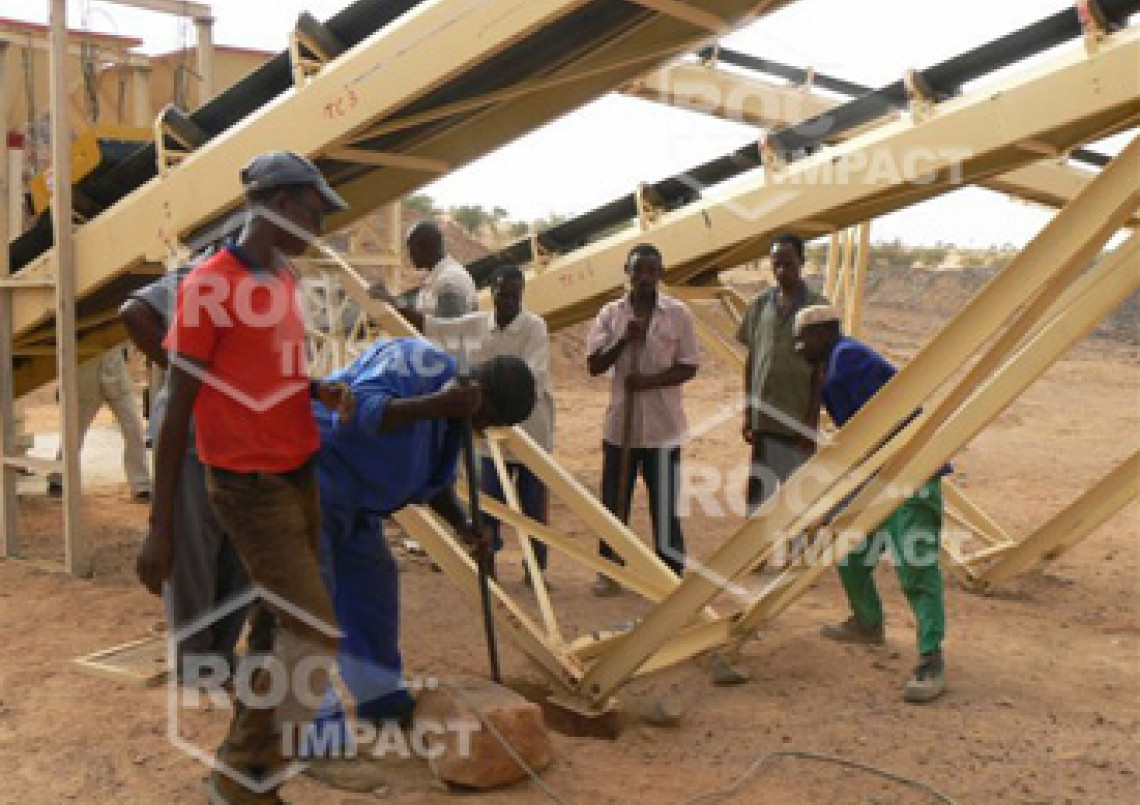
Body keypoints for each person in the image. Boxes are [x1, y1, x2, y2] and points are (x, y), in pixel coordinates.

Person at [135, 150, 355, 804]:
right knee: (312, 631)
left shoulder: (284, 278)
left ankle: (244, 779)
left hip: (298, 474)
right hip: (248, 487)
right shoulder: (209, 284)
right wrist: (159, 527)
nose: (319, 227)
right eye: (315, 212)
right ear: (281, 204)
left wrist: (317, 388)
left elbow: (268, 372)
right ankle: (240, 779)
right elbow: (177, 409)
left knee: (274, 628)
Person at [303, 337, 536, 786]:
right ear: (479, 390)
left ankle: (380, 699)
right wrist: (440, 404)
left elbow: (431, 486)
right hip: (310, 482)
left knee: (374, 590)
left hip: (358, 506)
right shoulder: (420, 362)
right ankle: (317, 736)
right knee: (308, 607)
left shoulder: (454, 423)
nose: (482, 429)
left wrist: (464, 527)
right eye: (486, 419)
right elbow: (360, 415)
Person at [794, 304, 948, 704]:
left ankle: (931, 657)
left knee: (916, 562)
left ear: (824, 333)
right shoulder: (832, 364)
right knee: (849, 545)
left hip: (908, 470)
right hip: (879, 471)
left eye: (803, 338)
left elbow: (876, 424)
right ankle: (867, 622)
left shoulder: (846, 358)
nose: (797, 346)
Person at [120, 255, 249, 683]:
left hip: (243, 440)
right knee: (193, 549)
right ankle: (195, 659)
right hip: (194, 436)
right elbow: (133, 311)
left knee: (240, 554)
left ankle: (219, 650)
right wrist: (184, 370)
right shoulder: (211, 273)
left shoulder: (278, 282)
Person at [421, 266, 555, 585]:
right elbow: (438, 329)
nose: (509, 300)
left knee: (533, 506)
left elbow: (530, 378)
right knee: (488, 502)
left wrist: (487, 387)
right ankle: (487, 564)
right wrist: (395, 310)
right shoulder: (477, 324)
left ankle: (535, 571)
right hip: (489, 438)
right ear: (491, 292)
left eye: (515, 295)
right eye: (503, 294)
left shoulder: (535, 328)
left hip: (530, 434)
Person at [585, 243, 699, 595]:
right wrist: (622, 340)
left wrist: (649, 382)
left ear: (660, 274)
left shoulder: (678, 314)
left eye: (652, 271)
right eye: (639, 271)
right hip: (621, 429)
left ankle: (669, 574)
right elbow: (594, 365)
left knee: (664, 503)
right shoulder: (610, 315)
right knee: (614, 503)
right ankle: (610, 568)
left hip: (664, 429)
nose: (645, 278)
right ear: (628, 271)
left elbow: (689, 366)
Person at [737, 234, 829, 511]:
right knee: (758, 499)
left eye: (788, 264)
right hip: (764, 419)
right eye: (776, 265)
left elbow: (821, 370)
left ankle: (797, 555)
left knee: (797, 503)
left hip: (796, 421)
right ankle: (755, 555)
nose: (781, 272)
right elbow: (753, 359)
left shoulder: (819, 307)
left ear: (802, 262)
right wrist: (748, 411)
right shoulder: (760, 305)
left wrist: (811, 422)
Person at [46, 345, 151, 501]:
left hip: (116, 374)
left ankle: (141, 484)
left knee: (134, 429)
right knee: (75, 432)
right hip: (87, 375)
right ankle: (58, 478)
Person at [406, 220, 477, 317]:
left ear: (427, 247)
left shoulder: (450, 280)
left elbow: (447, 328)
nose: (410, 255)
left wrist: (396, 307)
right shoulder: (436, 277)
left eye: (412, 249)